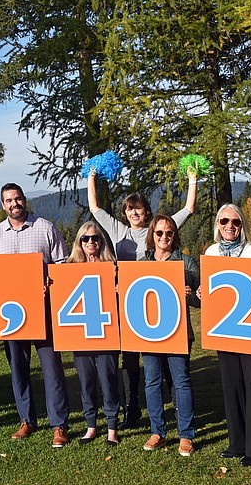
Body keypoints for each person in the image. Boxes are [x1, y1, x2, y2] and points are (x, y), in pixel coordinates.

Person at [87, 166, 199, 427]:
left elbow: (188, 210)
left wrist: (192, 179)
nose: (134, 212)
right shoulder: (117, 230)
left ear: (146, 212)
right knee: (131, 359)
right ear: (125, 213)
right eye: (129, 209)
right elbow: (95, 208)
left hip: (159, 302)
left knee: (169, 354)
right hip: (127, 302)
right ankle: (132, 408)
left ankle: (177, 405)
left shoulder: (158, 232)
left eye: (138, 208)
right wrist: (91, 176)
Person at [0, 183, 72, 448]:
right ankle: (27, 420)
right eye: (9, 200)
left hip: (42, 311)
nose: (15, 204)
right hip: (10, 316)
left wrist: (51, 283)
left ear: (24, 200)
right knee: (18, 370)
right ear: (3, 205)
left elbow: (63, 265)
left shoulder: (44, 228)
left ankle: (59, 425)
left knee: (52, 369)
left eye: (18, 198)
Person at [203, 204, 251, 466]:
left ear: (242, 224)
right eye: (224, 221)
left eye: (235, 221)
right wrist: (203, 295)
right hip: (225, 329)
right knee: (232, 384)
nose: (229, 226)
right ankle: (238, 441)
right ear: (217, 225)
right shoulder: (211, 252)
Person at [138, 215, 200, 457]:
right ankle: (158, 432)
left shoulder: (186, 262)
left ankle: (186, 434)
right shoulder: (141, 263)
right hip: (149, 331)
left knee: (182, 382)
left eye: (169, 233)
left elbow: (202, 298)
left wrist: (191, 295)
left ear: (175, 236)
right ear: (152, 235)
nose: (164, 237)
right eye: (159, 233)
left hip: (178, 331)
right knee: (152, 382)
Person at [66, 221, 120, 447]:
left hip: (106, 333)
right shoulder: (68, 268)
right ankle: (90, 425)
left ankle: (112, 428)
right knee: (86, 381)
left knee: (108, 380)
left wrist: (119, 286)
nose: (91, 242)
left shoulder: (112, 266)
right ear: (79, 242)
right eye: (85, 239)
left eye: (95, 238)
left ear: (102, 241)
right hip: (81, 333)